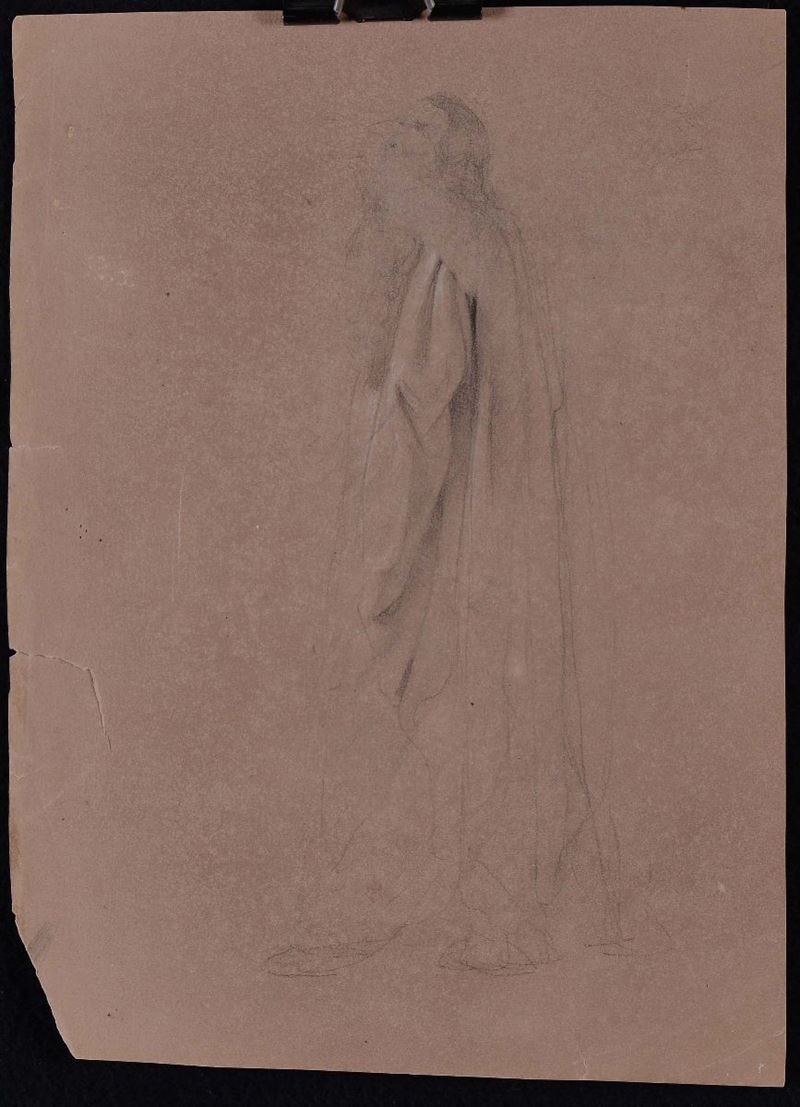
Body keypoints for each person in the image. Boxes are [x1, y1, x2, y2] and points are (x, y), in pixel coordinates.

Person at [268, 94, 621, 976]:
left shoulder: (451, 247)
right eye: (393, 131)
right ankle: (506, 907)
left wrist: (377, 555)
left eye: (415, 135)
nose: (392, 145)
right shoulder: (498, 240)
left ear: (449, 160)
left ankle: (440, 905)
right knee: (501, 698)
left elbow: (421, 409)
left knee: (446, 697)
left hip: (465, 528)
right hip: (508, 521)